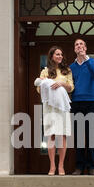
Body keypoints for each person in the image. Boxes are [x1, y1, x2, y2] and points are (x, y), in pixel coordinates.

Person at [35, 46, 74, 176]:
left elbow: (71, 88)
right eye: (57, 54)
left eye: (61, 54)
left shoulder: (66, 71)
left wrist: (61, 84)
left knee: (62, 135)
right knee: (51, 134)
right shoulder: (45, 71)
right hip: (50, 107)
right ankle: (52, 166)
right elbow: (39, 89)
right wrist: (47, 84)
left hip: (62, 106)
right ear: (51, 56)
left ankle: (61, 166)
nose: (60, 56)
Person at [70, 38, 94, 175]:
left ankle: (91, 166)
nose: (79, 46)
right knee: (79, 136)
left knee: (92, 135)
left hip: (91, 102)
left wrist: (85, 59)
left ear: (85, 47)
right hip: (76, 103)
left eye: (81, 44)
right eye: (76, 45)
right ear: (74, 49)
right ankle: (79, 166)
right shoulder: (71, 67)